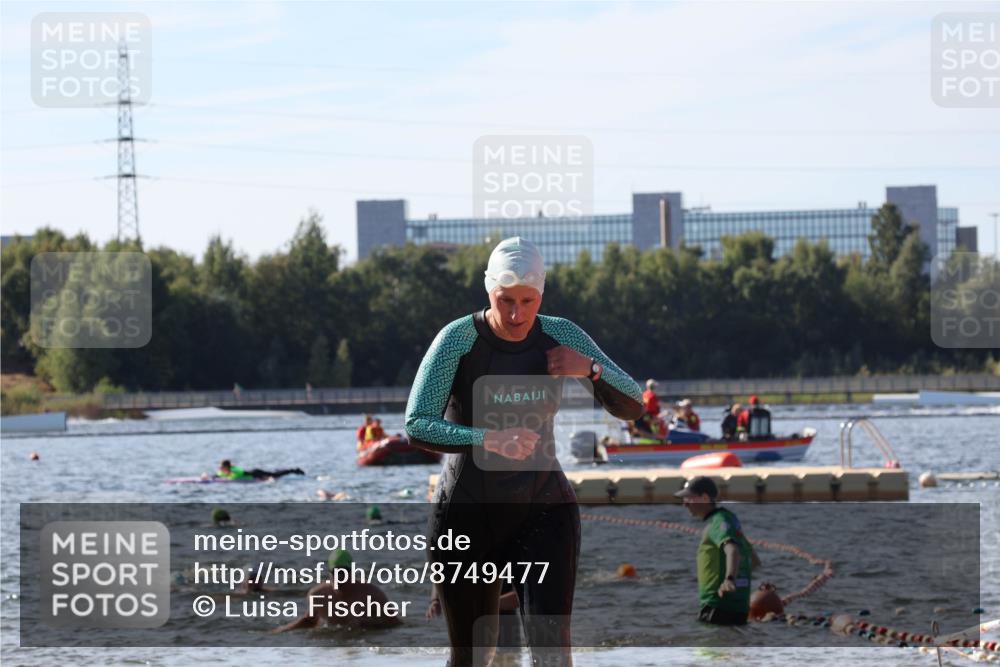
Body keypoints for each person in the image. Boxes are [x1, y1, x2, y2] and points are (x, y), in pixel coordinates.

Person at [405, 237, 643, 667]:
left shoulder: (561, 334)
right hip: (467, 513)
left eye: (527, 301)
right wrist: (486, 438)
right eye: (505, 300)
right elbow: (417, 424)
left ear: (542, 294)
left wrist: (589, 369)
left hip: (544, 511)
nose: (516, 314)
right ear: (488, 290)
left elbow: (633, 403)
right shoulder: (458, 339)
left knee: (553, 656)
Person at [675, 476, 760, 626]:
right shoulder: (730, 519)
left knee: (708, 641)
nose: (685, 504)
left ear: (704, 498)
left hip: (717, 606)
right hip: (738, 607)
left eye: (689, 498)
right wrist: (739, 585)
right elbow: (754, 561)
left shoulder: (718, 521)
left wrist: (729, 580)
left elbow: (732, 550)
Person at [273, 549, 402, 632]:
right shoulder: (318, 595)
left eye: (344, 572)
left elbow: (395, 623)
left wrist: (369, 624)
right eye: (335, 572)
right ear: (329, 573)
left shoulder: (372, 594)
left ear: (351, 572)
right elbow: (308, 621)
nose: (340, 578)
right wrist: (279, 631)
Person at [216, 459, 304, 480]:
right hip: (254, 473)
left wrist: (224, 477)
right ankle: (281, 470)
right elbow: (219, 474)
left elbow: (234, 477)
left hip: (257, 473)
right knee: (274, 473)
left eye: (222, 467)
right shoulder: (226, 471)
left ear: (226, 467)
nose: (220, 468)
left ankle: (294, 470)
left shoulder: (235, 470)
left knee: (275, 475)